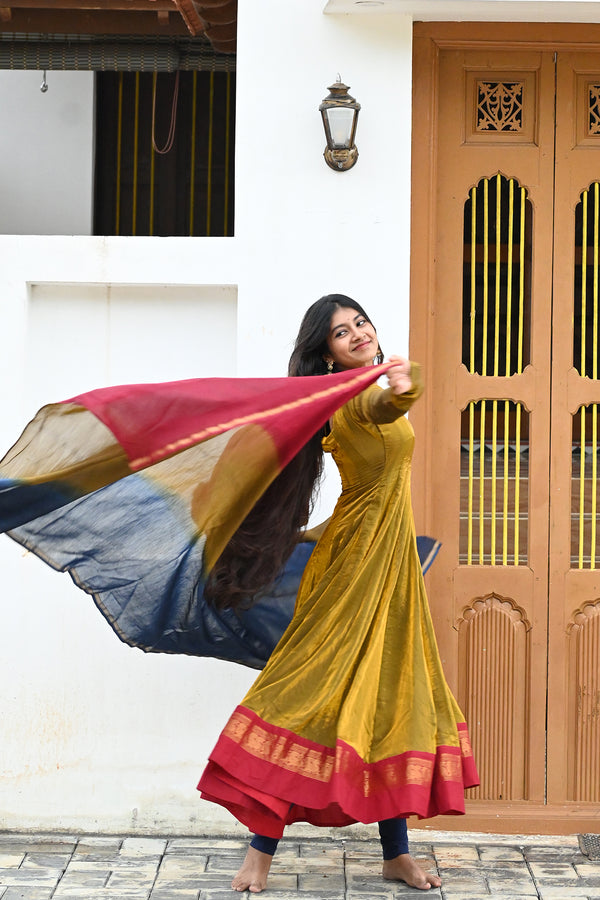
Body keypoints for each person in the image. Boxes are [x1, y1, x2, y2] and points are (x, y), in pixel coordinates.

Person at [197, 294, 478, 893]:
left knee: (390, 700)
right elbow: (385, 405)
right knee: (306, 698)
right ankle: (259, 854)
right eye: (340, 333)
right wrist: (403, 384)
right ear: (326, 355)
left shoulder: (361, 388)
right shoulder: (356, 399)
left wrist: (395, 382)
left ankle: (396, 854)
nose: (357, 334)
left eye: (360, 323)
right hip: (355, 570)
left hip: (389, 569)